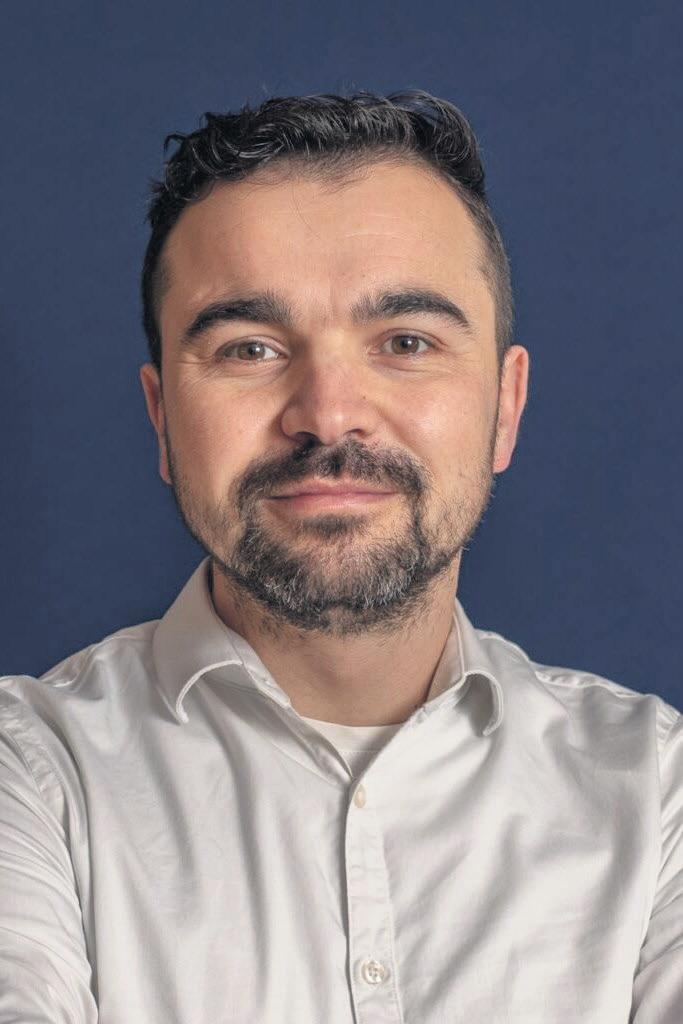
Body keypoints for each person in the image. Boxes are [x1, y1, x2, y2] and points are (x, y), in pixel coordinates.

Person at [0, 90, 680, 1024]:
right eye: (249, 348)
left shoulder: (658, 792)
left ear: (504, 407)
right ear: (161, 419)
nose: (327, 414)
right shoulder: (29, 776)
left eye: (405, 342)